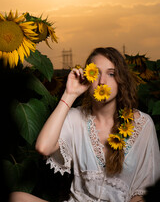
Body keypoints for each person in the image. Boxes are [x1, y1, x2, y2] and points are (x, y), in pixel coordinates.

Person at [9, 47, 160, 202]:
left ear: (121, 80)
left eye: (111, 74)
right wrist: (70, 94)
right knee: (16, 197)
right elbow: (43, 147)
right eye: (96, 73)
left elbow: (143, 191)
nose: (102, 81)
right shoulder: (76, 118)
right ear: (87, 78)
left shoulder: (142, 124)